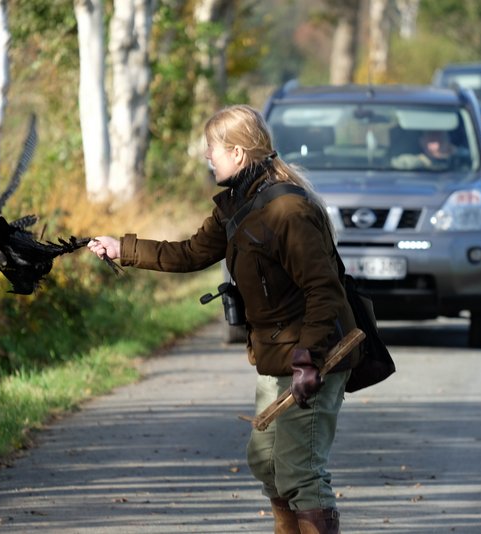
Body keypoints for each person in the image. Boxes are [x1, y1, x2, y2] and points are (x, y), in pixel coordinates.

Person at [87, 104, 359, 534]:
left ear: (237, 152)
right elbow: (190, 253)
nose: (206, 156)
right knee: (266, 462)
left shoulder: (288, 210)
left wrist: (309, 358)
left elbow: (323, 290)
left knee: (299, 471)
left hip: (316, 354)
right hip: (277, 356)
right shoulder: (237, 204)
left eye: (211, 148)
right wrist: (124, 248)